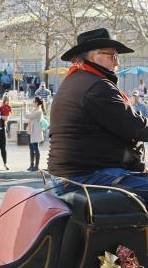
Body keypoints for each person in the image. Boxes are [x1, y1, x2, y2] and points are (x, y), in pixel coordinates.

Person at [48, 28, 148, 197]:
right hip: (86, 176)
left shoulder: (78, 80)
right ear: (93, 57)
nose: (117, 63)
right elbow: (136, 128)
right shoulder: (96, 87)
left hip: (73, 175)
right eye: (113, 56)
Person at [24, 96, 45, 171]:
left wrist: (25, 107)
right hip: (31, 131)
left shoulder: (39, 111)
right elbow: (29, 116)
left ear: (36, 103)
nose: (32, 102)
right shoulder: (35, 110)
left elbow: (27, 116)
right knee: (31, 148)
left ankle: (36, 166)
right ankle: (31, 164)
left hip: (35, 132)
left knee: (35, 148)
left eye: (33, 101)